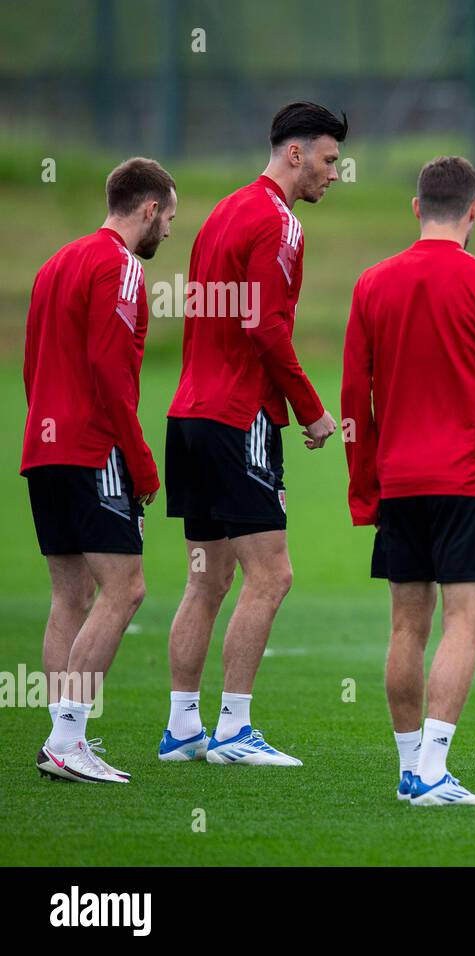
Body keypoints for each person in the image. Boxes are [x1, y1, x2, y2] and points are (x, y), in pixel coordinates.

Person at [342, 156, 475, 806]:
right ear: (474, 211)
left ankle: (411, 768)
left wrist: (363, 490)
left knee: (407, 625)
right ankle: (433, 770)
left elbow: (356, 397)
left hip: (399, 482)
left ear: (416, 209)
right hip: (466, 482)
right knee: (467, 622)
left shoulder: (371, 282)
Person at [159, 102, 345, 766]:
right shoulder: (279, 222)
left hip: (188, 414)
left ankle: (183, 729)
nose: (333, 174)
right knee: (271, 576)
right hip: (240, 418)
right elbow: (265, 326)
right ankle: (234, 730)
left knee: (205, 579)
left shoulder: (223, 212)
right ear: (294, 154)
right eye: (328, 160)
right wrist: (312, 409)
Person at [25, 158, 177, 782]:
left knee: (70, 595)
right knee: (126, 589)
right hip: (93, 449)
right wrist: (140, 463)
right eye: (168, 218)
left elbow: (33, 367)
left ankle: (62, 736)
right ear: (147, 209)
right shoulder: (118, 266)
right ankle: (68, 739)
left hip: (44, 446)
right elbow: (111, 373)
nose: (168, 232)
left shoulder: (55, 263)